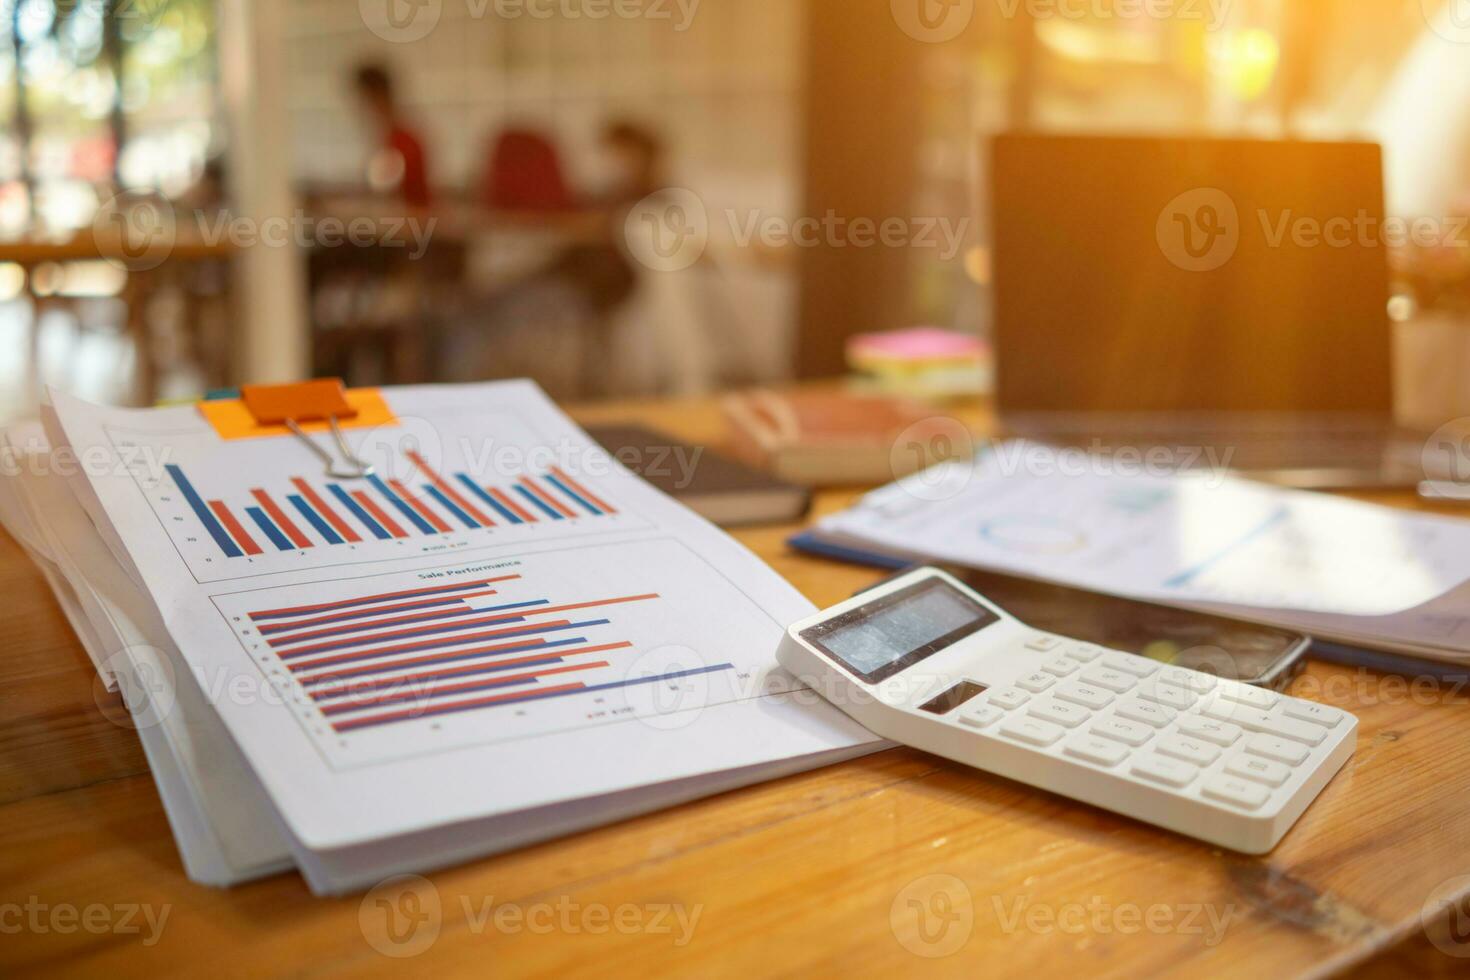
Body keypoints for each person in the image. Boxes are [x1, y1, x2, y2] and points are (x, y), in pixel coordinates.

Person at [352, 63, 432, 208]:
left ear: (377, 96)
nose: (359, 108)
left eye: (362, 100)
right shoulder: (388, 137)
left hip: (411, 225)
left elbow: (402, 199)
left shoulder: (403, 141)